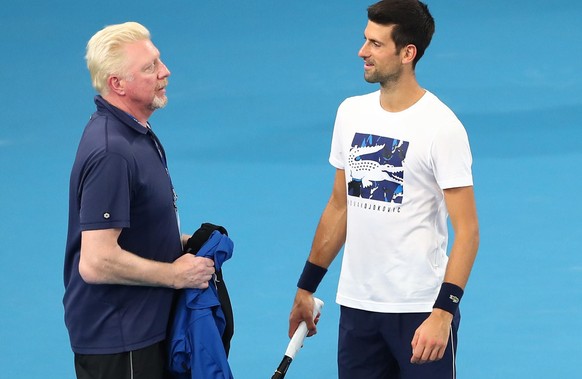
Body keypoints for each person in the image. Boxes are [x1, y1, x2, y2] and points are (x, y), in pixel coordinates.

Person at [287, 1, 479, 378]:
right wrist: (305, 287)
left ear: (408, 53)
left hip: (420, 312)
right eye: (365, 40)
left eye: (375, 44)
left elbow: (468, 231)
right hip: (358, 310)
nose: (362, 52)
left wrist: (443, 312)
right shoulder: (350, 113)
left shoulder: (442, 127)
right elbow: (340, 206)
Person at [63, 22, 216, 379]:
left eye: (159, 61)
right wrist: (175, 274)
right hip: (122, 339)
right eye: (149, 68)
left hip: (141, 327)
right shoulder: (111, 151)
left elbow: (131, 228)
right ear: (117, 84)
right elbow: (97, 261)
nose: (165, 72)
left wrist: (177, 244)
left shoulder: (134, 133)